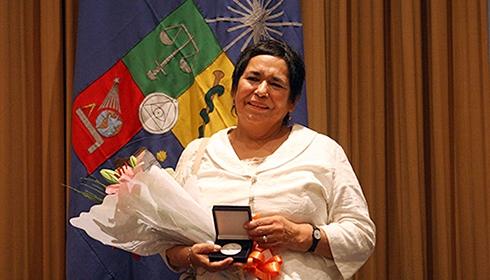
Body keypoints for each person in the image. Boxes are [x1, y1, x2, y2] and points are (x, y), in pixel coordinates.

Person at [164, 39, 375, 279]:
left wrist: (302, 236)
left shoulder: (322, 150)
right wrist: (191, 255)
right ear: (234, 89)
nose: (261, 91)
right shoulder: (197, 153)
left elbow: (362, 236)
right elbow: (169, 244)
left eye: (276, 84)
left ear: (292, 102)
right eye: (253, 78)